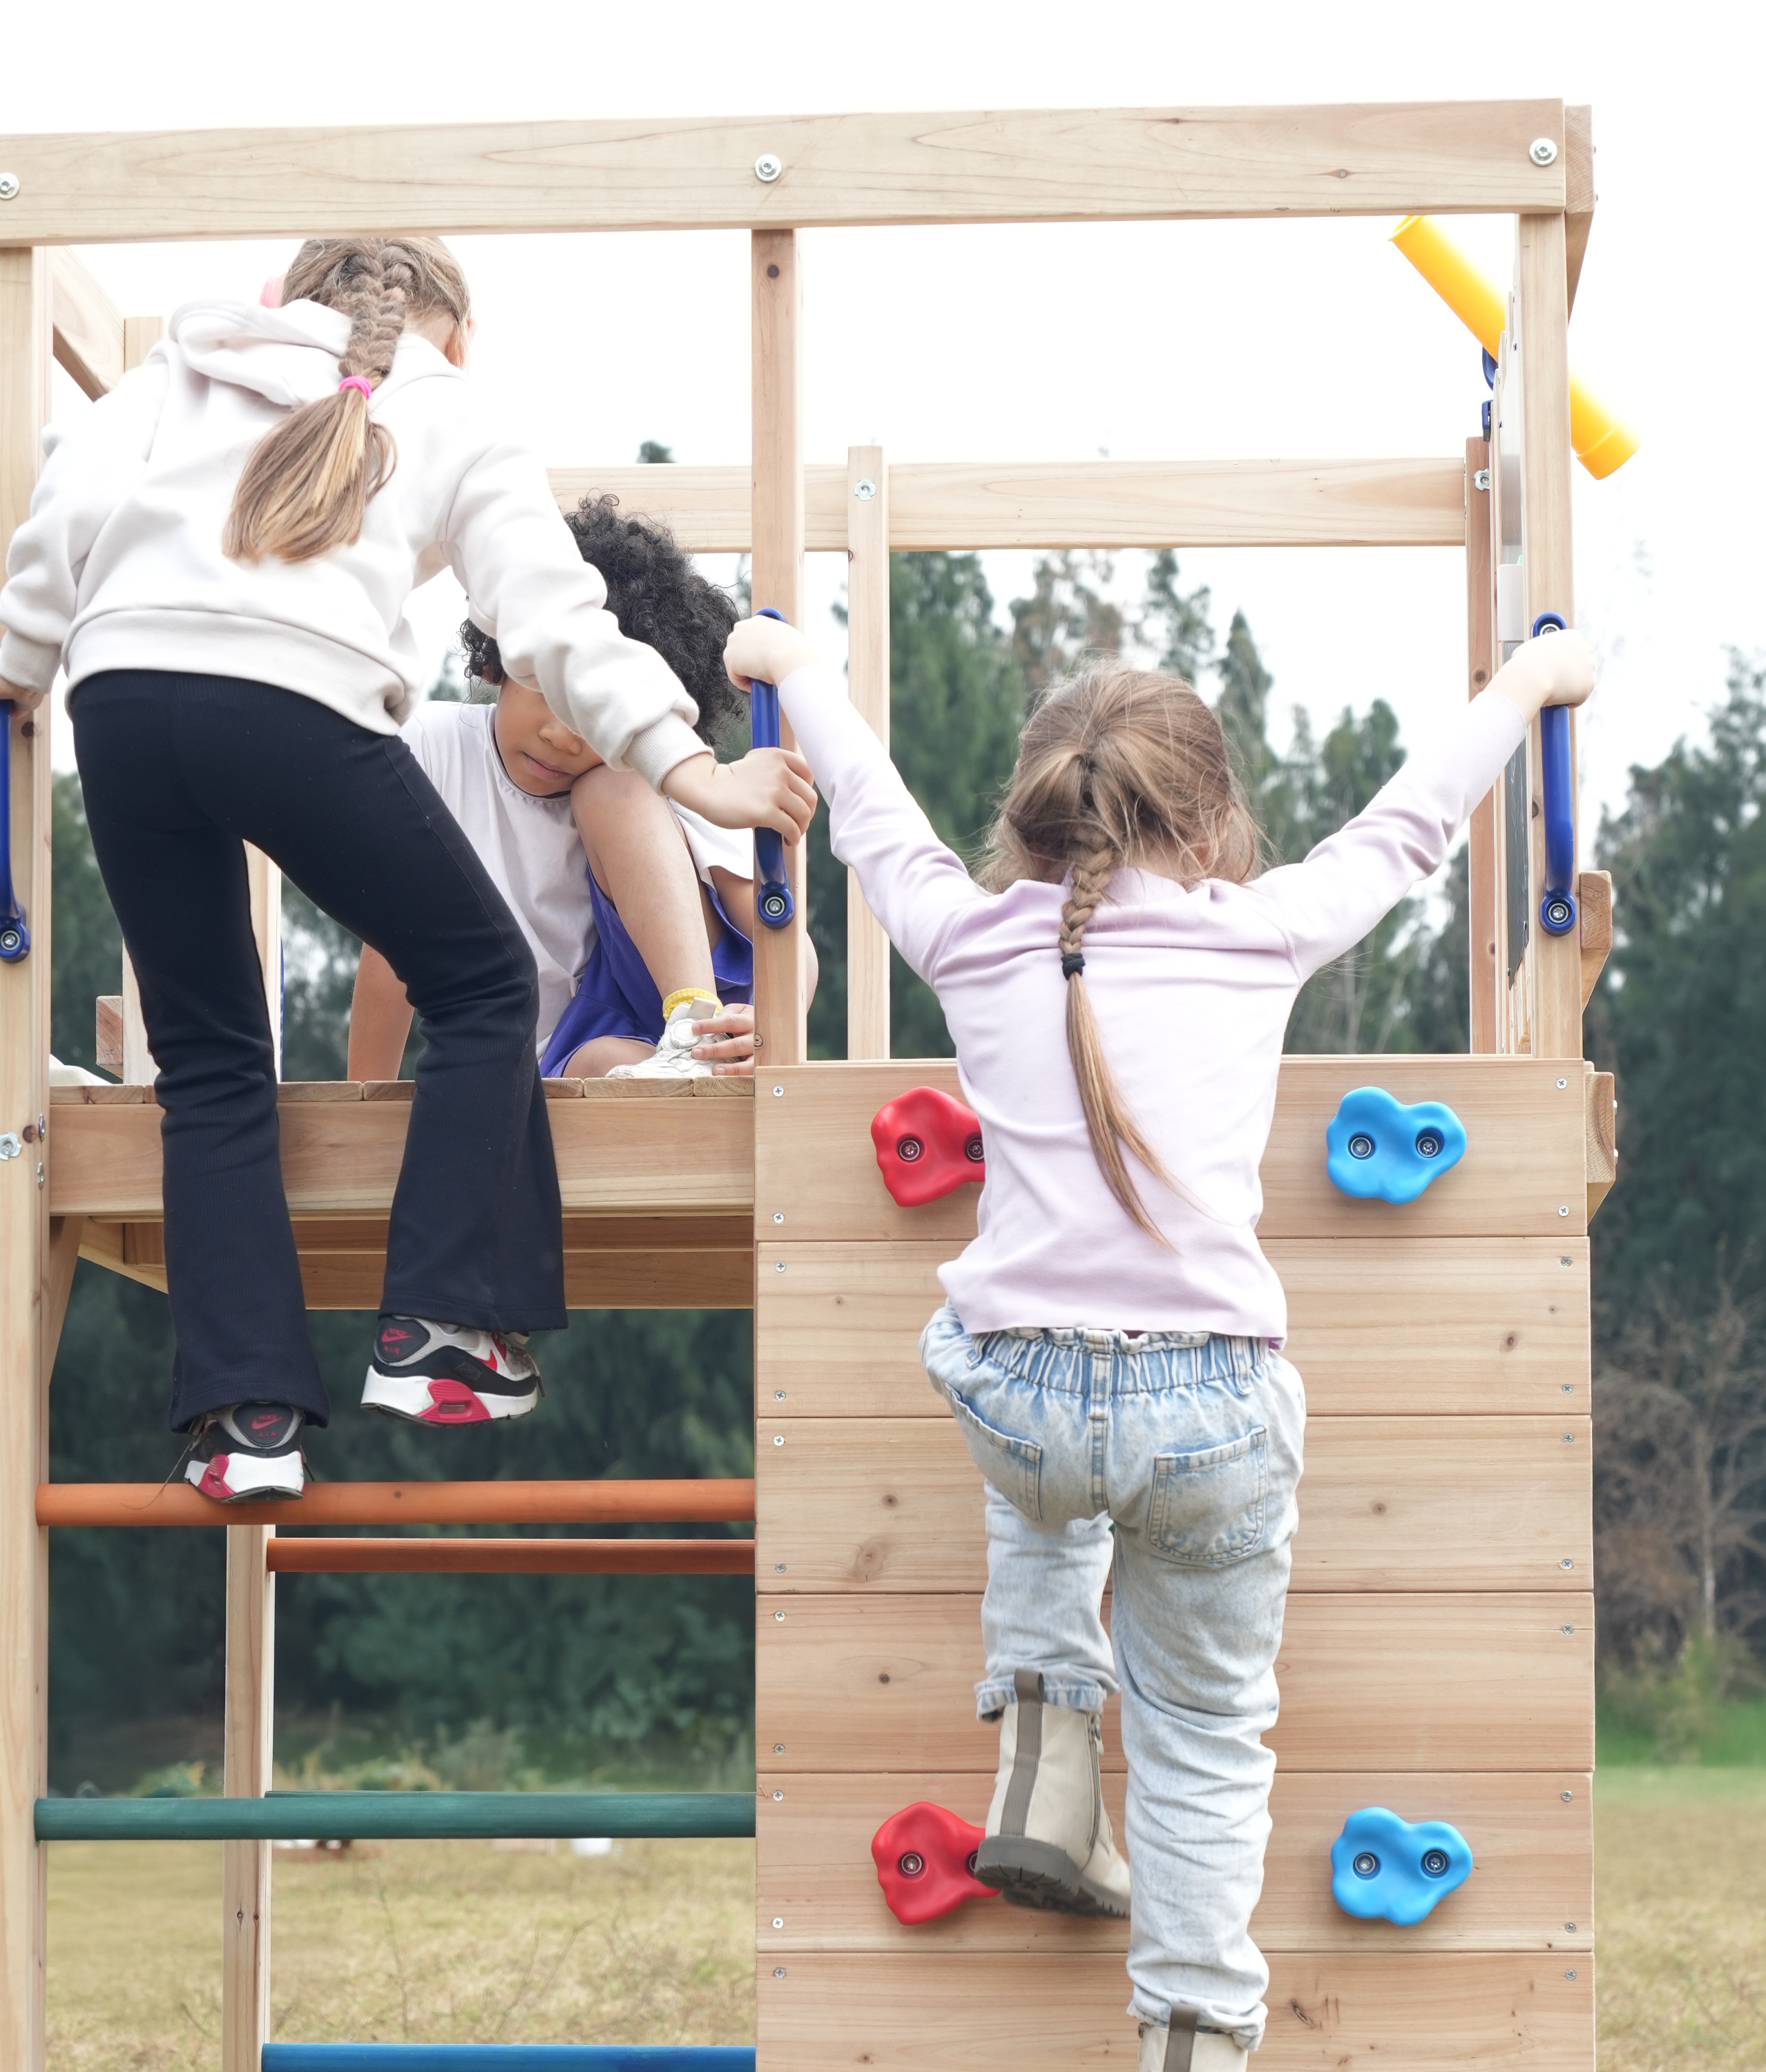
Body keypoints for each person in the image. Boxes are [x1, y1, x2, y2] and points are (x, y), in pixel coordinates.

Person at [722, 609, 1594, 2072]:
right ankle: (1190, 2034)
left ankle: (1047, 1745)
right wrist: (1528, 679)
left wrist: (796, 668)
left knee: (1031, 1419)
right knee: (1201, 1741)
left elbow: (872, 818)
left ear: (1030, 820)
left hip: (1023, 1400)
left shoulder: (967, 936)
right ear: (1206, 829)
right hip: (1209, 1414)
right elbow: (1409, 827)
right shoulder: (1255, 936)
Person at [0, 237, 814, 1503]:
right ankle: (440, 1325)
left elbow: (62, 513)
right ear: (460, 338)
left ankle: (244, 1422)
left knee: (209, 1062)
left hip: (118, 705)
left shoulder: (182, 365)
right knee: (482, 979)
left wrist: (19, 668)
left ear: (278, 303)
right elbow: (559, 618)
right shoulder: (450, 409)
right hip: (293, 701)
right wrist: (696, 771)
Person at [347, 496, 787, 1088]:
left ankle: (694, 1028)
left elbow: (785, 937)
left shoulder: (653, 779)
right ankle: (684, 1069)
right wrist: (361, 1101)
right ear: (501, 658)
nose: (562, 735)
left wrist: (774, 1025)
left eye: (596, 715)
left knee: (612, 787)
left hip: (706, 1004)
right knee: (598, 1067)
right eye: (549, 692)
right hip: (584, 1038)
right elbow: (390, 947)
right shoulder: (433, 748)